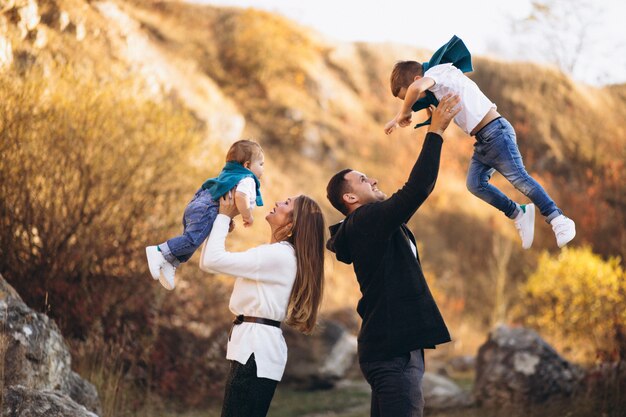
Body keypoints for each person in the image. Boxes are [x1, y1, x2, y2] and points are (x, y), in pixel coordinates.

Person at [326, 94, 460, 417]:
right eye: (362, 180)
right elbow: (416, 190)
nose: (372, 179)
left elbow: (409, 199)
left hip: (391, 349)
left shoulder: (373, 226)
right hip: (393, 353)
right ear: (349, 197)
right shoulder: (365, 220)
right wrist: (436, 133)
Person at [384, 35, 575, 249]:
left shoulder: (438, 72)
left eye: (407, 97)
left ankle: (558, 218)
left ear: (416, 78)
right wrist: (396, 119)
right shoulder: (436, 88)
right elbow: (418, 96)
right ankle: (518, 213)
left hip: (496, 132)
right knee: (475, 184)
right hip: (483, 141)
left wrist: (404, 111)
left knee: (520, 178)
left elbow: (414, 90)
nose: (411, 101)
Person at [199, 192, 325, 417]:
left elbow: (211, 261)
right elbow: (209, 260)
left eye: (287, 203)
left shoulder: (278, 256)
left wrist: (222, 218)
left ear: (293, 222)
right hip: (255, 346)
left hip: (255, 349)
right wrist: (221, 223)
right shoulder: (281, 255)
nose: (279, 202)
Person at [145, 139, 265, 290]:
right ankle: (159, 251)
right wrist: (247, 216)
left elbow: (225, 195)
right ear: (247, 165)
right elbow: (240, 197)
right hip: (208, 209)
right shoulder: (248, 179)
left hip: (199, 204)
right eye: (261, 164)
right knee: (191, 240)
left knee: (191, 241)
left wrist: (227, 220)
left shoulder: (228, 173)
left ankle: (170, 262)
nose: (262, 170)